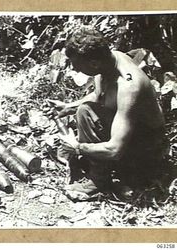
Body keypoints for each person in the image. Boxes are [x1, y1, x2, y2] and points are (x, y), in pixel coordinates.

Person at [47, 26, 167, 200]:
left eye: (78, 67)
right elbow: (99, 95)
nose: (77, 71)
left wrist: (78, 147)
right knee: (84, 110)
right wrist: (68, 107)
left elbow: (114, 150)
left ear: (94, 63)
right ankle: (103, 166)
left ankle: (99, 182)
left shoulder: (129, 87)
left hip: (148, 147)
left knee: (85, 113)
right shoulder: (109, 59)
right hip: (132, 132)